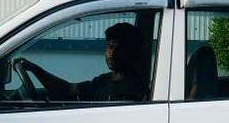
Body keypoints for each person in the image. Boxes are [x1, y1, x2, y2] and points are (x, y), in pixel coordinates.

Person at [14, 22, 148, 102]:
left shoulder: (136, 90)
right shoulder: (103, 81)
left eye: (117, 48)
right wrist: (36, 70)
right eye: (109, 46)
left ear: (131, 51)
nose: (111, 53)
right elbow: (68, 89)